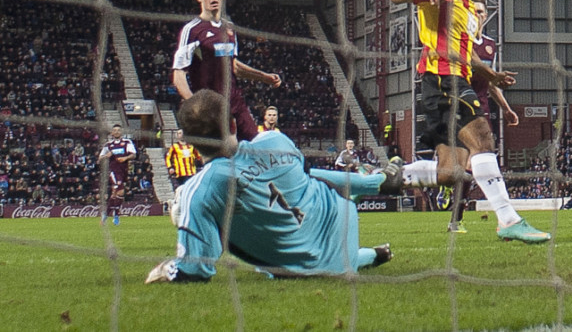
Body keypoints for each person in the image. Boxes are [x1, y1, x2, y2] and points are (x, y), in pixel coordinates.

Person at [145, 89, 404, 283]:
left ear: (189, 141)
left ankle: (370, 242)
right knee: (306, 183)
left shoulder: (198, 191)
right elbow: (311, 176)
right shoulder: (276, 140)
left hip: (304, 268)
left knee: (212, 213)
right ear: (234, 124)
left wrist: (166, 268)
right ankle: (376, 207)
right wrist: (374, 183)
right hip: (344, 222)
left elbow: (195, 270)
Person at [390, 0, 549, 243]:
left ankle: (389, 174)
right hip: (442, 78)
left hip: (453, 79)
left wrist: (492, 76)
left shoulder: (468, 9)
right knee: (484, 141)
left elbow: (469, 56)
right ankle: (508, 220)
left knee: (451, 173)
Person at [172, 0, 282, 141]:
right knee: (223, 153)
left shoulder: (228, 28)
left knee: (255, 144)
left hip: (235, 100)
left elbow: (234, 66)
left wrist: (264, 77)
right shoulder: (192, 30)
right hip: (211, 105)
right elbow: (178, 74)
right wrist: (193, 103)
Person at [445, 0, 520, 233]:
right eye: (473, 10)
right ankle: (505, 217)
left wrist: (506, 108)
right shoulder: (457, 41)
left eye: (480, 12)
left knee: (471, 165)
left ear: (485, 16)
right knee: (476, 158)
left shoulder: (489, 45)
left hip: (482, 107)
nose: (477, 15)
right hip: (460, 104)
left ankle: (456, 219)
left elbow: (490, 81)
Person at [98, 124, 136, 225]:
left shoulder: (127, 142)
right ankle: (115, 215)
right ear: (112, 133)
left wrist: (125, 158)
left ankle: (106, 214)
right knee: (120, 192)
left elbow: (133, 154)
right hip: (114, 172)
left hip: (124, 171)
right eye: (114, 130)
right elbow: (99, 159)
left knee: (115, 194)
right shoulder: (108, 145)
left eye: (118, 130)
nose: (116, 132)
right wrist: (107, 155)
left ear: (121, 132)